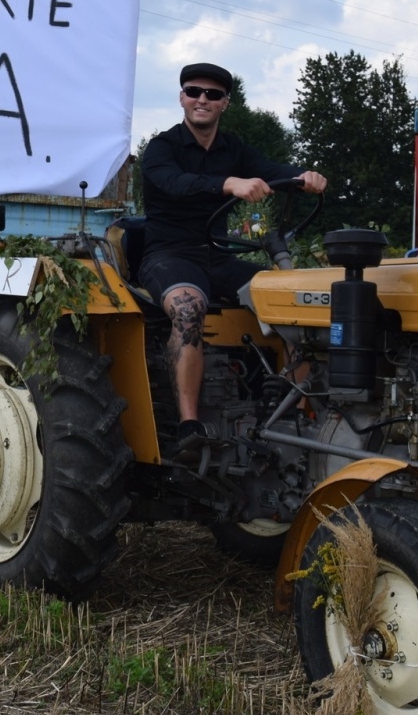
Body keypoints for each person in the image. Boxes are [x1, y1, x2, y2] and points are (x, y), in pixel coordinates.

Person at [138, 62, 327, 449]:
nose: (201, 100)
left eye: (212, 94)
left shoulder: (233, 149)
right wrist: (228, 184)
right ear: (181, 99)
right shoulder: (162, 148)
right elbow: (175, 184)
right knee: (188, 308)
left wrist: (304, 176)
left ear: (225, 103)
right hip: (168, 255)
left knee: (293, 302)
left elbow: (272, 170)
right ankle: (189, 426)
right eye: (193, 92)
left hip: (218, 256)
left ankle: (300, 416)